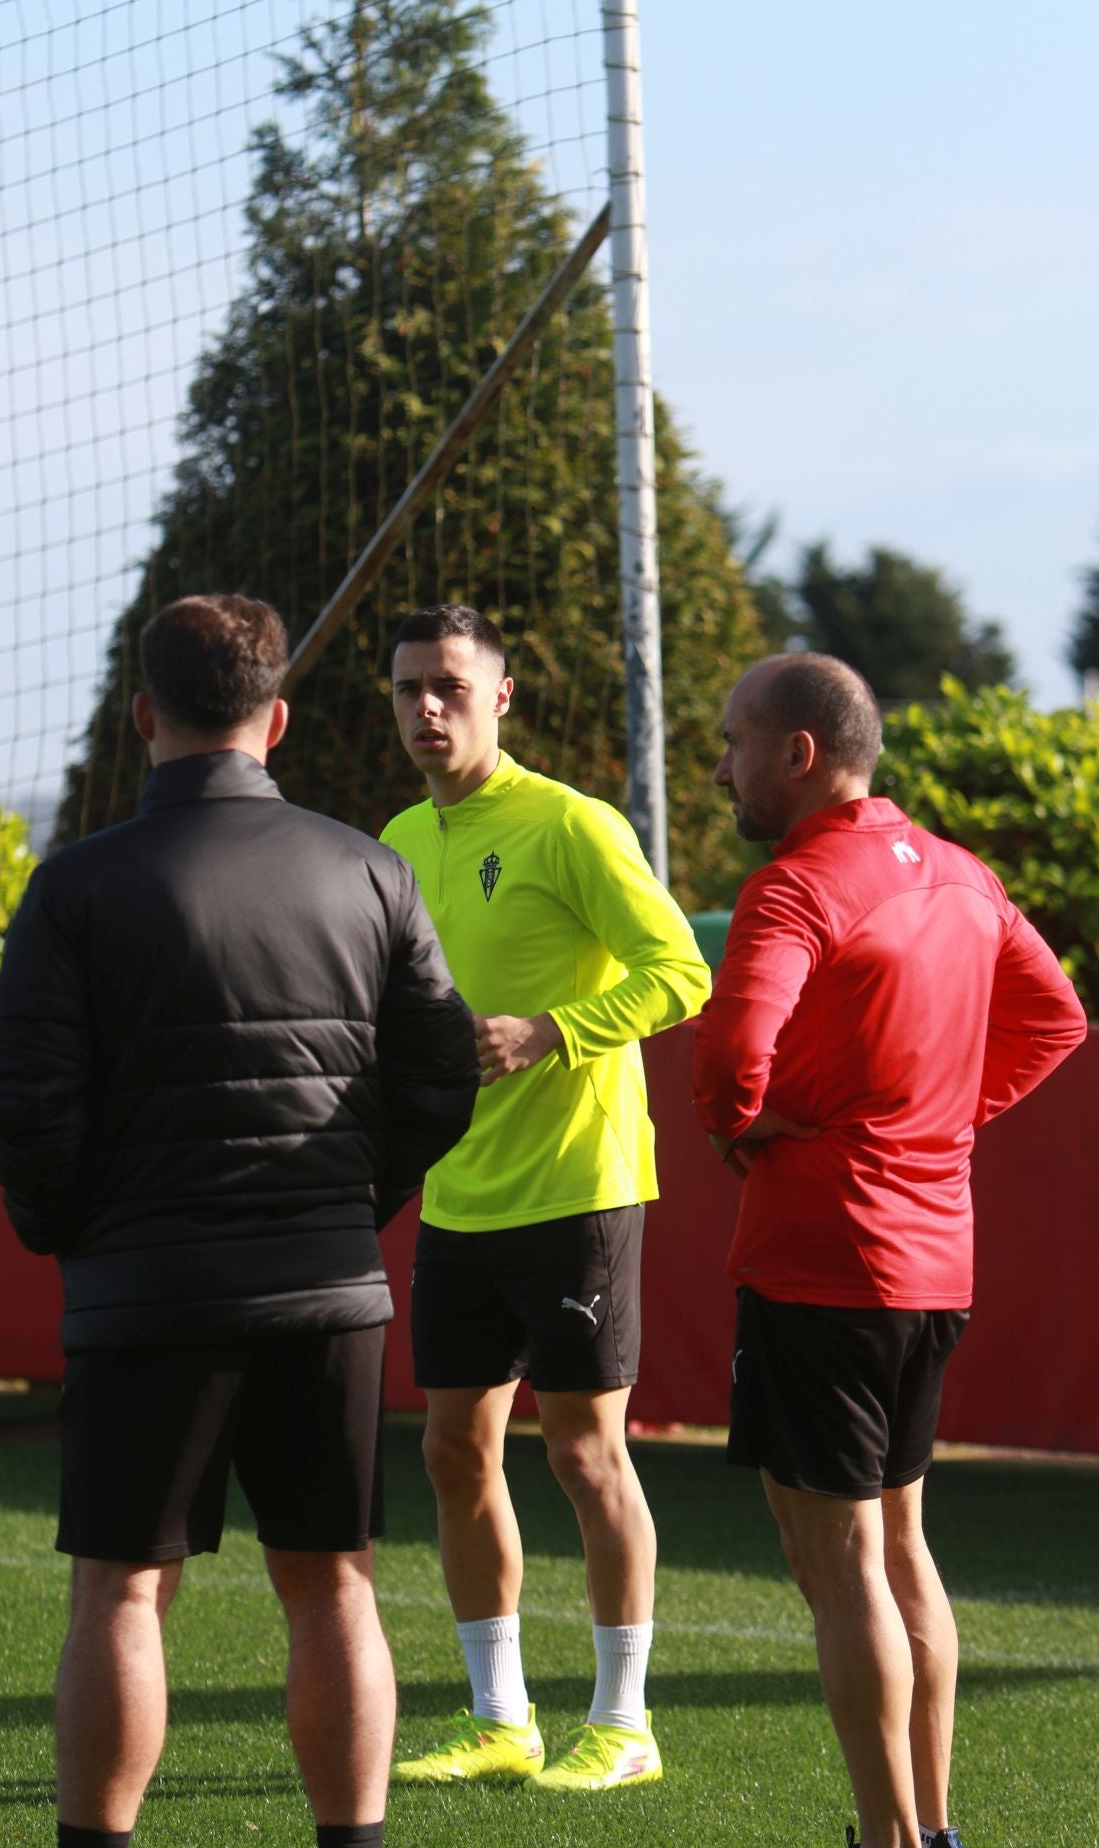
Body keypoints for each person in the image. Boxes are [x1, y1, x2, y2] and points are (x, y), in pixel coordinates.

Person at [0, 594, 480, 1848]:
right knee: (333, 1586)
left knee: (123, 1591)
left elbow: (22, 1098)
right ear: (280, 718)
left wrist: (74, 1232)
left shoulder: (76, 884)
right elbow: (440, 1077)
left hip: (143, 1293)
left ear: (143, 714)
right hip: (324, 1287)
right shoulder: (371, 870)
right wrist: (352, 1205)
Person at [691, 653, 1088, 1848]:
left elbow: (725, 1059)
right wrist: (945, 1118)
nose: (719, 769)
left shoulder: (794, 885)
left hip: (823, 1261)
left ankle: (885, 1839)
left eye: (730, 743)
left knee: (842, 1558)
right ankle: (927, 1833)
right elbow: (1054, 1018)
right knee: (896, 1545)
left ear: (797, 753)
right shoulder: (964, 876)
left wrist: (739, 1122)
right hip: (930, 1261)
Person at [379, 603, 710, 1793]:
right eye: (410, 687)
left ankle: (623, 1725)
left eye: (450, 688)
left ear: (499, 697)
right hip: (459, 1197)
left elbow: (682, 971)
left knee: (581, 1453)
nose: (427, 708)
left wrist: (552, 1032)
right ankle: (500, 1718)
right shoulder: (398, 839)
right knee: (454, 1450)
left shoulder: (570, 824)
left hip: (578, 1190)